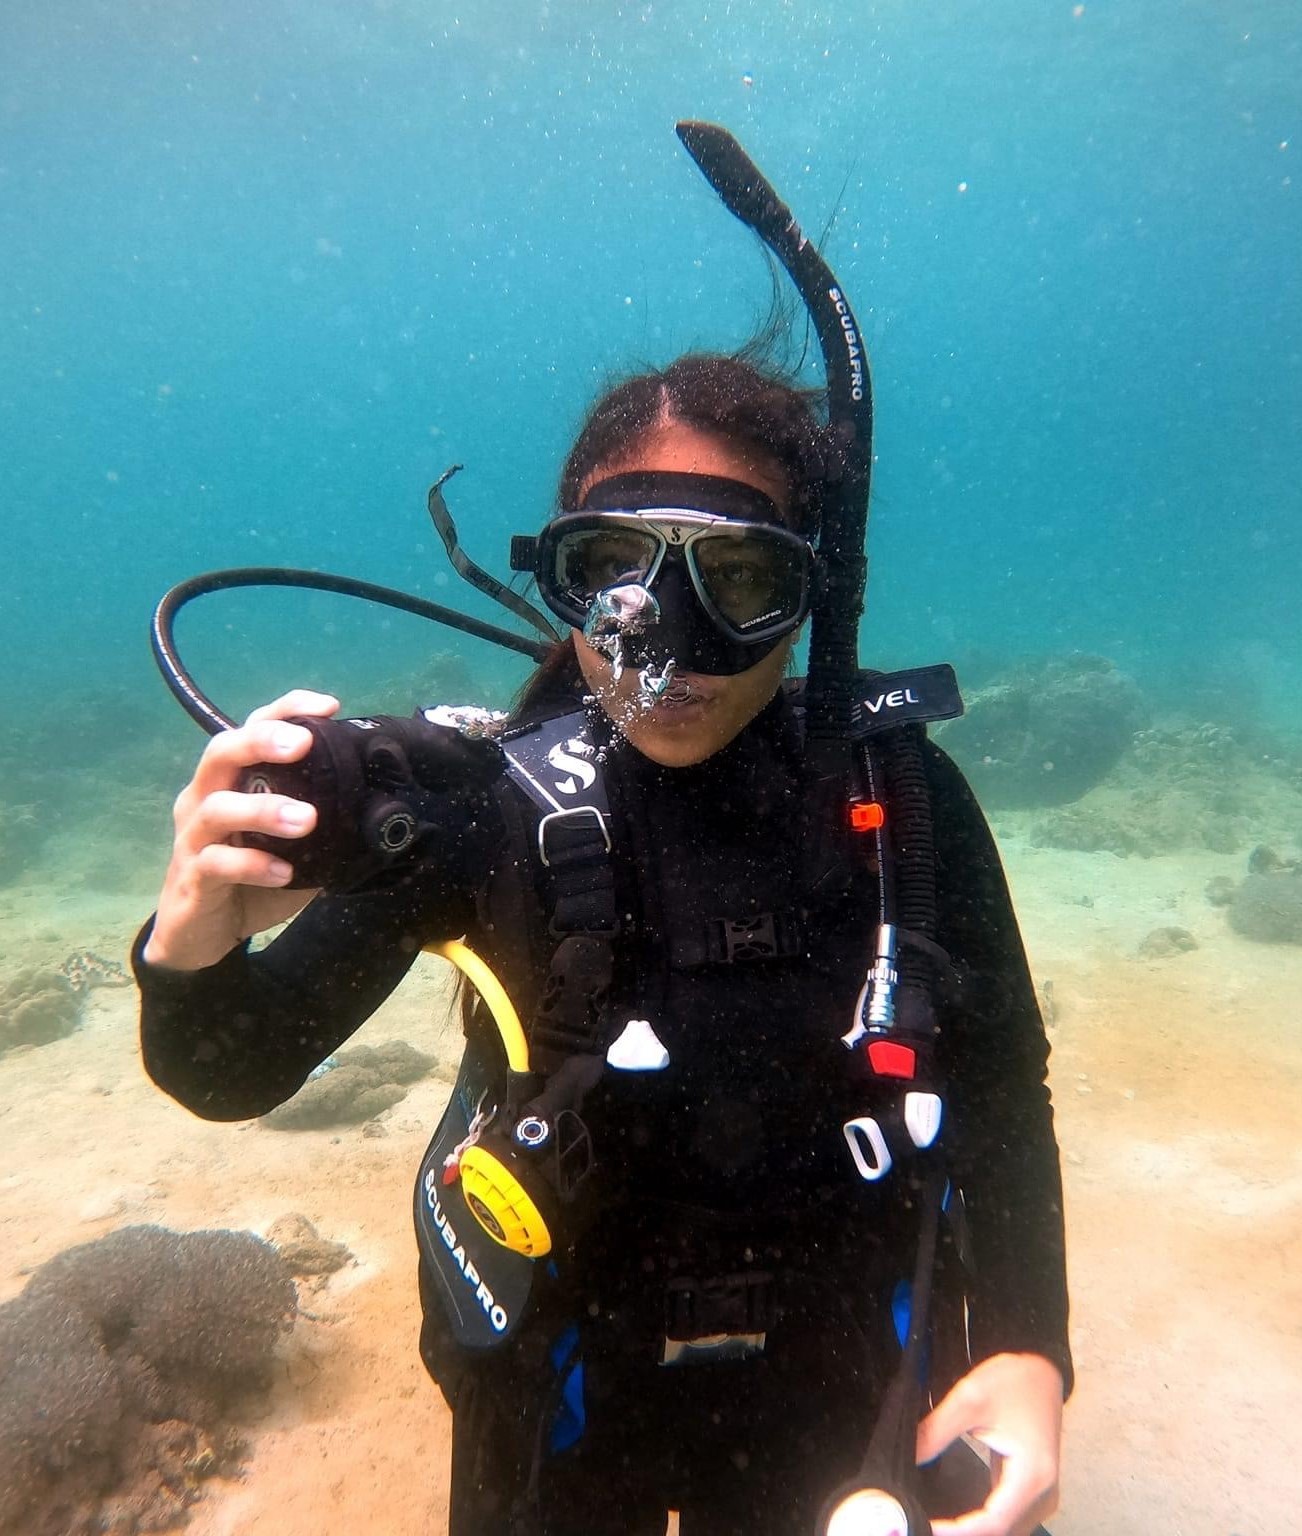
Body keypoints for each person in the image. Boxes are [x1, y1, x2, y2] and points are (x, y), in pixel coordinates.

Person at [136, 351, 1070, 1536]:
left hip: (841, 1358)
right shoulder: (485, 807)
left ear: (816, 595)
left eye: (738, 580)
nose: (667, 647)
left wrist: (1033, 1345)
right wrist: (190, 944)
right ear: (562, 576)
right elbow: (228, 1068)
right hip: (560, 1366)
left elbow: (998, 1082)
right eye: (614, 578)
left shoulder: (905, 808)